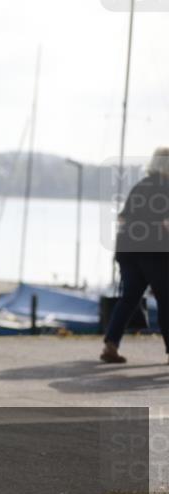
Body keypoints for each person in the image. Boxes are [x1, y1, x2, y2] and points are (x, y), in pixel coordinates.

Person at [101, 146, 169, 363]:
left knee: (129, 298)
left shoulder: (140, 186)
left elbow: (122, 218)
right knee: (165, 300)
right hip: (154, 252)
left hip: (127, 250)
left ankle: (110, 346)